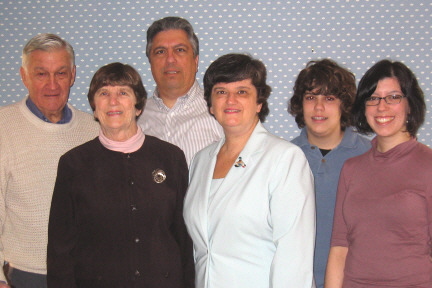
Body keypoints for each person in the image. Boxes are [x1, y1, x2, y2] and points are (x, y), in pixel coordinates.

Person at [47, 62, 194, 288]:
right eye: (104, 93)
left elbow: (183, 237)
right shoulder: (73, 164)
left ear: (138, 105)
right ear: (95, 107)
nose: (113, 101)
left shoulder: (171, 158)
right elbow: (60, 248)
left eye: (123, 92)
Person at [183, 53, 316, 288]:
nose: (231, 100)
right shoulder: (200, 161)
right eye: (221, 92)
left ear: (259, 103)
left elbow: (294, 256)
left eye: (242, 91)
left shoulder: (284, 159)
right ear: (211, 105)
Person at [0, 33, 99, 288]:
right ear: (24, 76)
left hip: (84, 273)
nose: (52, 85)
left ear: (74, 75)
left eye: (61, 73)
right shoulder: (3, 126)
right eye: (41, 73)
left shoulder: (94, 129)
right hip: (22, 276)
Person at [326, 59, 432, 287]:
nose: (381, 107)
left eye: (393, 97)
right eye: (373, 98)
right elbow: (339, 246)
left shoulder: (428, 165)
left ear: (410, 104)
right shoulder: (351, 169)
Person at [288, 59, 371, 288]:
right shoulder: (284, 158)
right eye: (311, 97)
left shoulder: (369, 156)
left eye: (329, 98)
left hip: (358, 280)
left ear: (344, 105)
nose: (319, 107)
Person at [138, 16, 223, 165]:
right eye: (160, 52)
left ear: (195, 61)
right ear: (150, 63)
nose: (170, 59)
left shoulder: (221, 110)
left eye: (180, 50)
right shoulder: (134, 117)